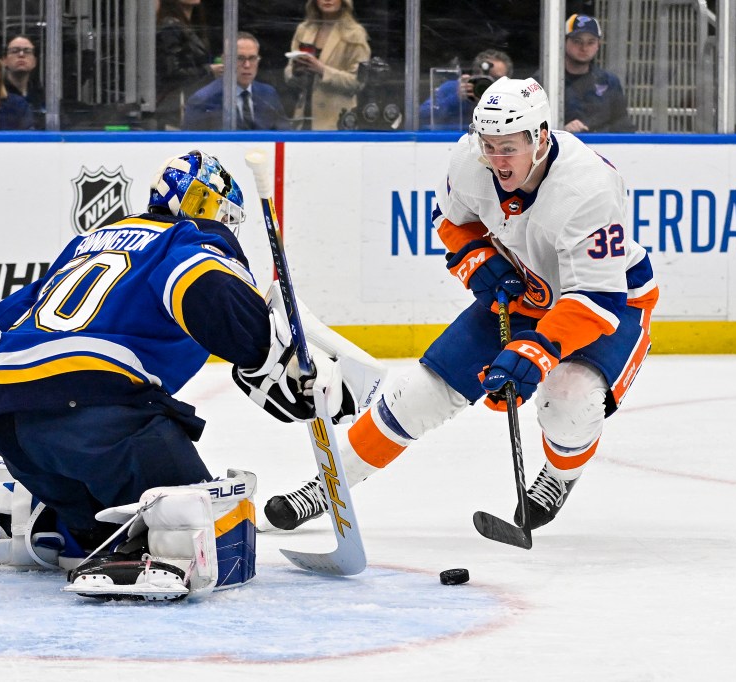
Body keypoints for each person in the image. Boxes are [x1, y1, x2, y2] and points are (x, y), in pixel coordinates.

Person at [0, 150, 383, 599]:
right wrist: (274, 360)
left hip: (16, 430)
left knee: (100, 522)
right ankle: (142, 551)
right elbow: (210, 290)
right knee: (212, 527)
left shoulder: (85, 245)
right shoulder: (186, 240)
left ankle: (18, 521)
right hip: (105, 419)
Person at [264, 77, 659, 536]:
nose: (495, 159)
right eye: (488, 145)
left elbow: (596, 299)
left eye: (507, 147)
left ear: (541, 137)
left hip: (609, 303)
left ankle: (559, 476)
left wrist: (535, 350)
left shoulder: (588, 186)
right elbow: (451, 220)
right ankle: (327, 488)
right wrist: (476, 259)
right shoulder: (470, 159)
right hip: (525, 291)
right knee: (417, 394)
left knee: (568, 401)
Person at [534, 14, 636, 133]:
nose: (584, 48)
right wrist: (561, 131)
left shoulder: (609, 82)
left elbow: (623, 125)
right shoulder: (542, 81)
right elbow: (529, 128)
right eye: (577, 41)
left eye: (591, 42)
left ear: (598, 45)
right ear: (564, 42)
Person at [284, 0, 371, 131]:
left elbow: (358, 82)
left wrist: (322, 71)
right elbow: (288, 73)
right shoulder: (304, 29)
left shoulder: (355, 33)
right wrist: (296, 72)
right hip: (303, 118)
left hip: (336, 121)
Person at [182, 31, 290, 131]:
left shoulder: (268, 94)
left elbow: (286, 137)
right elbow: (190, 146)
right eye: (240, 58)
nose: (247, 65)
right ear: (225, 60)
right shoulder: (203, 100)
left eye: (252, 58)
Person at [154, 0, 220, 130]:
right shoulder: (170, 26)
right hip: (175, 108)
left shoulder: (191, 25)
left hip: (191, 102)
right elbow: (172, 72)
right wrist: (209, 70)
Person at [419, 49, 513, 132]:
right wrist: (456, 98)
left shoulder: (513, 96)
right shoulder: (453, 88)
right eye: (484, 78)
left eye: (496, 79)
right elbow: (423, 116)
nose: (488, 84)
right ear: (475, 74)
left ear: (508, 80)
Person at [2, 34, 44, 128]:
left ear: (35, 61)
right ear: (4, 60)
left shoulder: (42, 96)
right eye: (15, 51)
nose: (21, 55)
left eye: (27, 51)